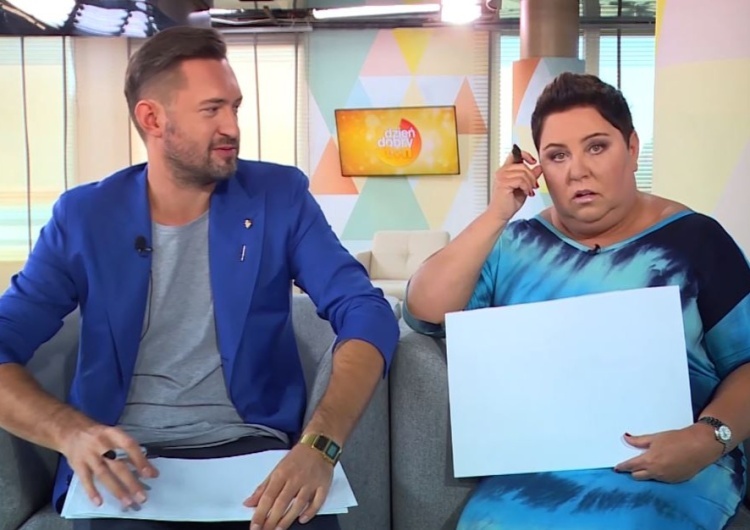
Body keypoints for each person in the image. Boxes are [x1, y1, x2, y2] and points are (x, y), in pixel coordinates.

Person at [0, 26, 399, 530]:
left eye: (235, 107)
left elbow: (366, 311)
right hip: (125, 461)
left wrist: (320, 444)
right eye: (212, 110)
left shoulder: (279, 197)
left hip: (253, 450)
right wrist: (68, 431)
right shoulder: (83, 217)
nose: (232, 126)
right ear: (152, 118)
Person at [404, 72, 750, 529]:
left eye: (597, 147)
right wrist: (497, 213)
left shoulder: (695, 240)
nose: (577, 171)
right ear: (538, 169)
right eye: (557, 155)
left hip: (671, 466)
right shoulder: (514, 244)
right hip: (535, 470)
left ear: (632, 148)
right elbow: (423, 311)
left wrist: (707, 439)